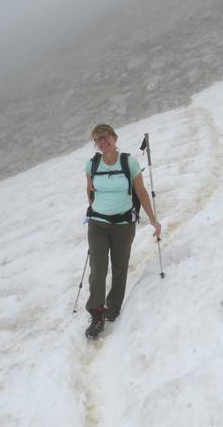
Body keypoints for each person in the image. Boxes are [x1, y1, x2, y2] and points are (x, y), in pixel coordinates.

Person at [84, 124, 161, 339]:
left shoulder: (129, 163)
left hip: (123, 225)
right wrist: (92, 207)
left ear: (114, 137)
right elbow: (89, 189)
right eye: (98, 139)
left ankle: (113, 307)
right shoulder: (92, 164)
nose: (102, 141)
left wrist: (154, 220)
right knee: (98, 268)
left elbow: (141, 192)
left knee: (119, 266)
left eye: (105, 137)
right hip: (98, 223)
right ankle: (97, 313)